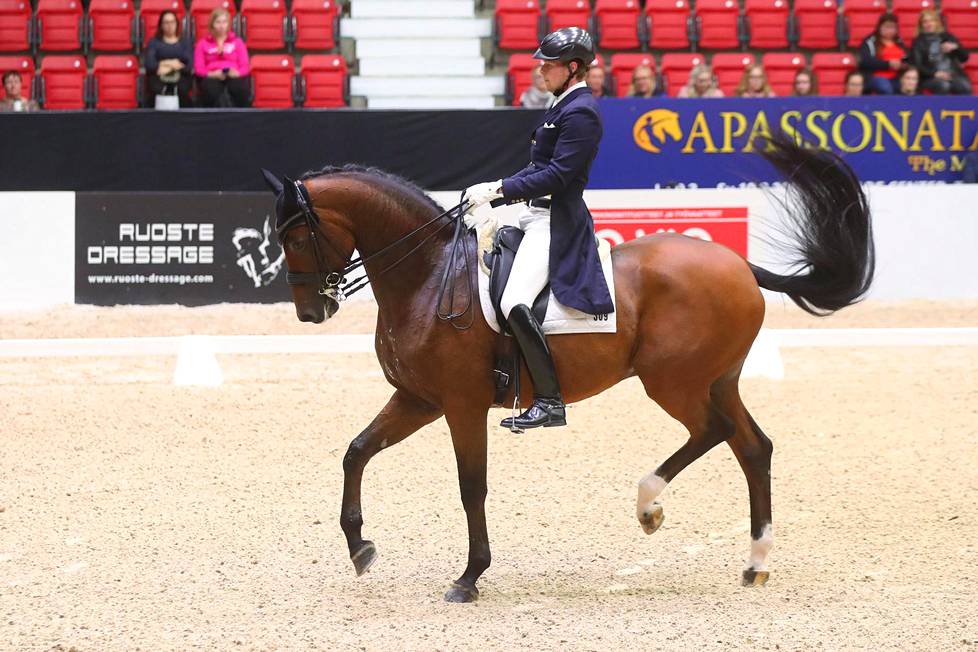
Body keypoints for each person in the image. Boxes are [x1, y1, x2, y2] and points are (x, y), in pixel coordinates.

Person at [461, 27, 613, 430]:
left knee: (513, 301)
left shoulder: (581, 112)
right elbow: (537, 167)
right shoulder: (560, 104)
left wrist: (501, 189)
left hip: (555, 219)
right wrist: (495, 192)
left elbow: (559, 176)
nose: (540, 69)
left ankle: (549, 400)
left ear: (573, 68)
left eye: (549, 63)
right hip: (531, 212)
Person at [194, 7, 251, 108]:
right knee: (210, 89)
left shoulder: (237, 42)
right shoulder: (202, 44)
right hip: (212, 76)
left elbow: (245, 66)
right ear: (212, 24)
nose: (221, 26)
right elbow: (198, 69)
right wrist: (211, 74)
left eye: (224, 22)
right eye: (218, 22)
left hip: (233, 75)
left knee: (240, 88)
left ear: (228, 24)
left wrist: (237, 73)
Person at [910, 9, 972, 95]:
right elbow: (917, 65)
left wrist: (956, 47)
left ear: (937, 22)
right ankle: (940, 108)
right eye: (925, 22)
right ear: (921, 25)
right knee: (943, 85)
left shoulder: (947, 36)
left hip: (953, 75)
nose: (929, 24)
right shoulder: (918, 42)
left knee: (964, 85)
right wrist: (935, 73)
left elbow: (965, 57)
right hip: (930, 77)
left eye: (932, 20)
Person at [144, 10, 194, 107]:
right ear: (161, 25)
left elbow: (188, 67)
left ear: (177, 23)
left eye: (172, 22)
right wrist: (172, 63)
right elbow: (149, 65)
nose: (170, 25)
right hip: (158, 75)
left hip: (181, 75)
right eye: (166, 22)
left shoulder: (185, 42)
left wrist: (165, 66)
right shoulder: (154, 42)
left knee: (182, 89)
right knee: (155, 87)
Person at [858, 13, 907, 95]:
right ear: (879, 27)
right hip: (874, 77)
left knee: (907, 84)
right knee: (885, 86)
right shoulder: (870, 41)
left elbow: (906, 58)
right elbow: (865, 61)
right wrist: (888, 64)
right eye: (887, 27)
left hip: (897, 76)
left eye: (893, 27)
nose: (890, 30)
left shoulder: (899, 42)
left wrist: (902, 65)